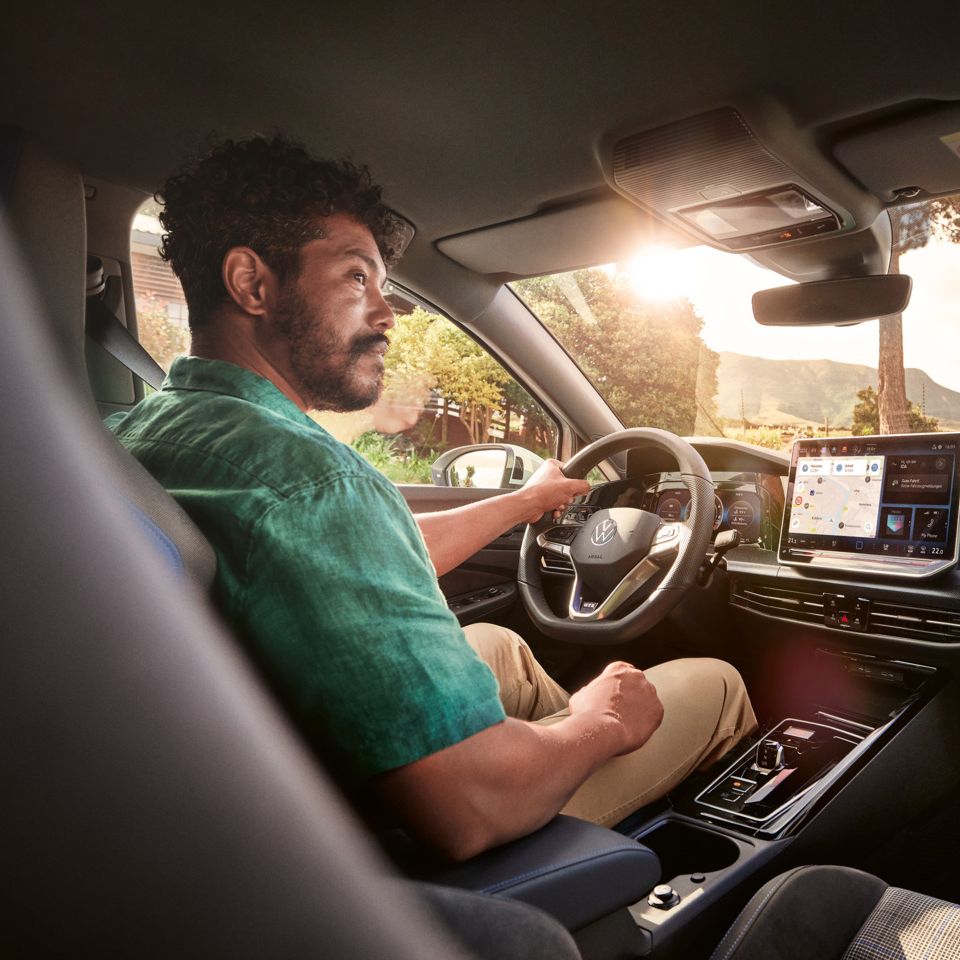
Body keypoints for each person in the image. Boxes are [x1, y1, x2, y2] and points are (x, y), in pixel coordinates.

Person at [111, 136, 756, 861]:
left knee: (503, 649)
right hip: (382, 847)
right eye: (357, 277)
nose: (388, 314)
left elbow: (359, 554)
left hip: (259, 792)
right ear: (251, 284)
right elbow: (470, 805)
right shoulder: (311, 482)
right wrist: (600, 724)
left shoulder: (140, 432)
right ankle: (628, 875)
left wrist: (526, 503)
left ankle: (567, 772)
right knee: (713, 682)